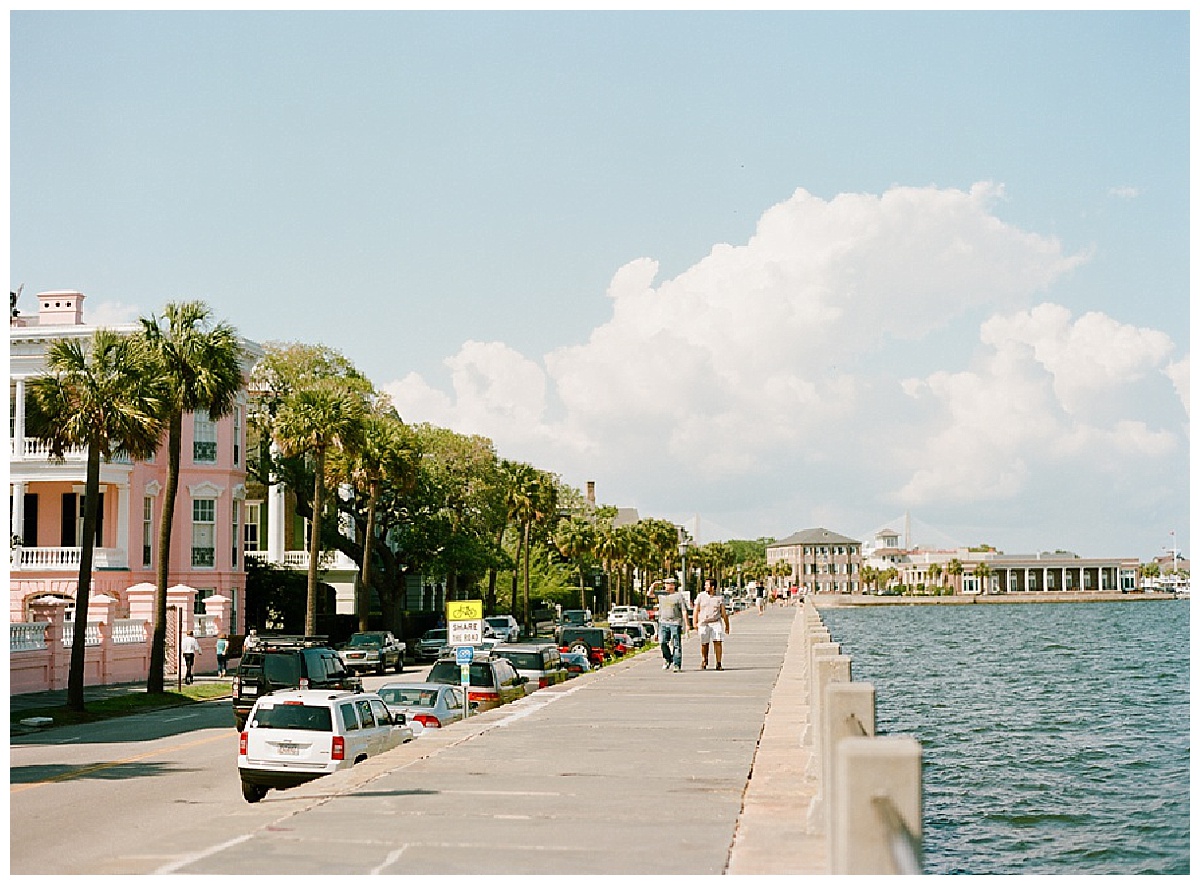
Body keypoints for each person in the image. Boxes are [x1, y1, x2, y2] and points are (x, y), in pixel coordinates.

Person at [693, 579, 731, 671]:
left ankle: (718, 663)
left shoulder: (719, 598)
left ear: (712, 587)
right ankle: (704, 659)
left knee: (718, 642)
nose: (705, 586)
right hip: (703, 623)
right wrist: (695, 622)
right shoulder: (700, 596)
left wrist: (727, 625)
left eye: (707, 585)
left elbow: (723, 613)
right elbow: (696, 609)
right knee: (704, 643)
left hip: (715, 622)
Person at [656, 577, 689, 672]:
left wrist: (687, 625)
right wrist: (654, 585)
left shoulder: (678, 596)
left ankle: (677, 664)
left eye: (670, 584)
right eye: (666, 584)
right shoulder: (661, 594)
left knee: (676, 644)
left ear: (673, 585)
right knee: (662, 642)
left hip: (675, 622)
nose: (668, 586)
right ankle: (667, 658)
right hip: (663, 622)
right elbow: (649, 594)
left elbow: (683, 610)